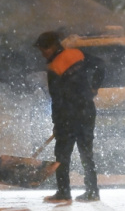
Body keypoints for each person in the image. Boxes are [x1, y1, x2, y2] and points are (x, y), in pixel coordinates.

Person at [33, 30, 105, 202]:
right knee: (86, 153)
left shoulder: (54, 68)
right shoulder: (76, 54)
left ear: (52, 47)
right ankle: (92, 191)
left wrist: (57, 124)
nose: (42, 53)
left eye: (44, 49)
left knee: (62, 155)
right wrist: (94, 87)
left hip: (68, 116)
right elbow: (100, 65)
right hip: (87, 111)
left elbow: (57, 100)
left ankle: (64, 192)